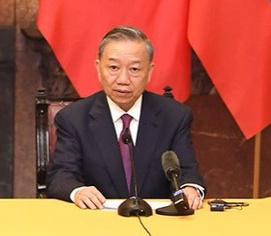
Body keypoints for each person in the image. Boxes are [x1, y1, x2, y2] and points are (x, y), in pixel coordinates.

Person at [45, 26, 204, 210]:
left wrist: (190, 188)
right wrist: (78, 191)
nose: (123, 80)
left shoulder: (174, 116)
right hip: (97, 220)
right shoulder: (74, 118)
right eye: (113, 68)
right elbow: (61, 176)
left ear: (149, 72)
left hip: (157, 221)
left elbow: (187, 172)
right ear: (98, 68)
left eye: (134, 69)